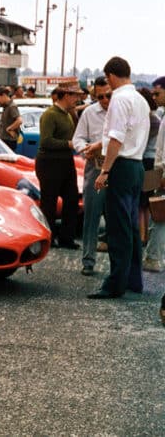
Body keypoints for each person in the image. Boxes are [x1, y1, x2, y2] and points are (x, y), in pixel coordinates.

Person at [88, 56, 150, 299]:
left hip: (121, 167)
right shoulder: (140, 100)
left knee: (117, 228)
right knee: (131, 226)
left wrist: (104, 170)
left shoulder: (119, 99)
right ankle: (133, 280)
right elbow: (129, 133)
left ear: (111, 76)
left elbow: (116, 138)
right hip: (136, 166)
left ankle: (114, 284)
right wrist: (98, 145)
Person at [72, 77, 112, 276]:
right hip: (95, 167)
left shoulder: (122, 111)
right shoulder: (89, 112)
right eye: (100, 96)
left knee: (118, 216)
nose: (105, 100)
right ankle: (88, 259)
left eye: (108, 95)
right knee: (92, 216)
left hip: (117, 168)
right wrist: (84, 149)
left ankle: (119, 264)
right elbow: (78, 137)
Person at [36, 80, 81, 250]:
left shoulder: (68, 114)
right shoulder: (50, 115)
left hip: (65, 161)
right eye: (75, 96)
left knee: (72, 199)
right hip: (49, 162)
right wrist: (68, 144)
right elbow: (46, 141)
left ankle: (66, 238)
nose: (77, 99)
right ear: (66, 95)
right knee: (49, 202)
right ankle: (49, 236)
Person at [144, 76, 165, 273]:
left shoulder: (158, 117)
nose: (154, 97)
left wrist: (162, 174)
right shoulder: (161, 115)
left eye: (157, 93)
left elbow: (161, 152)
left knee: (157, 214)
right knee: (153, 209)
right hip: (155, 167)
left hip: (158, 169)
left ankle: (153, 258)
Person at [138, 88, 161, 246]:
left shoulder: (150, 119)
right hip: (152, 162)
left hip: (147, 162)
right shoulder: (155, 118)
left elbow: (141, 143)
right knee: (146, 202)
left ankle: (142, 235)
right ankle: (144, 235)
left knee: (142, 201)